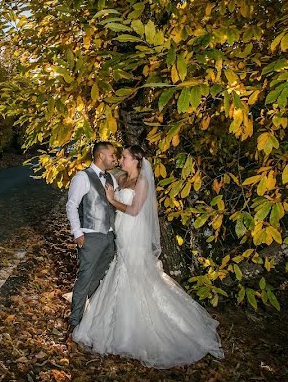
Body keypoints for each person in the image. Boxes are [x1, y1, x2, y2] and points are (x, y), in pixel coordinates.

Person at [72, 145, 224, 368]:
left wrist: (112, 199)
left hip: (134, 232)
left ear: (135, 160)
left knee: (134, 273)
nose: (120, 160)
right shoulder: (120, 178)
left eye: (124, 157)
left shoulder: (142, 182)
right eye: (119, 157)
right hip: (120, 232)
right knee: (120, 270)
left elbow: (134, 210)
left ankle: (144, 326)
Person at [65, 141, 119, 334]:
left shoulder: (112, 178)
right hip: (91, 236)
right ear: (100, 156)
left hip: (109, 237)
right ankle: (75, 319)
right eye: (112, 155)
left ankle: (92, 316)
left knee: (101, 277)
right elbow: (72, 205)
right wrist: (77, 233)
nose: (115, 158)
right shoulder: (82, 177)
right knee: (85, 277)